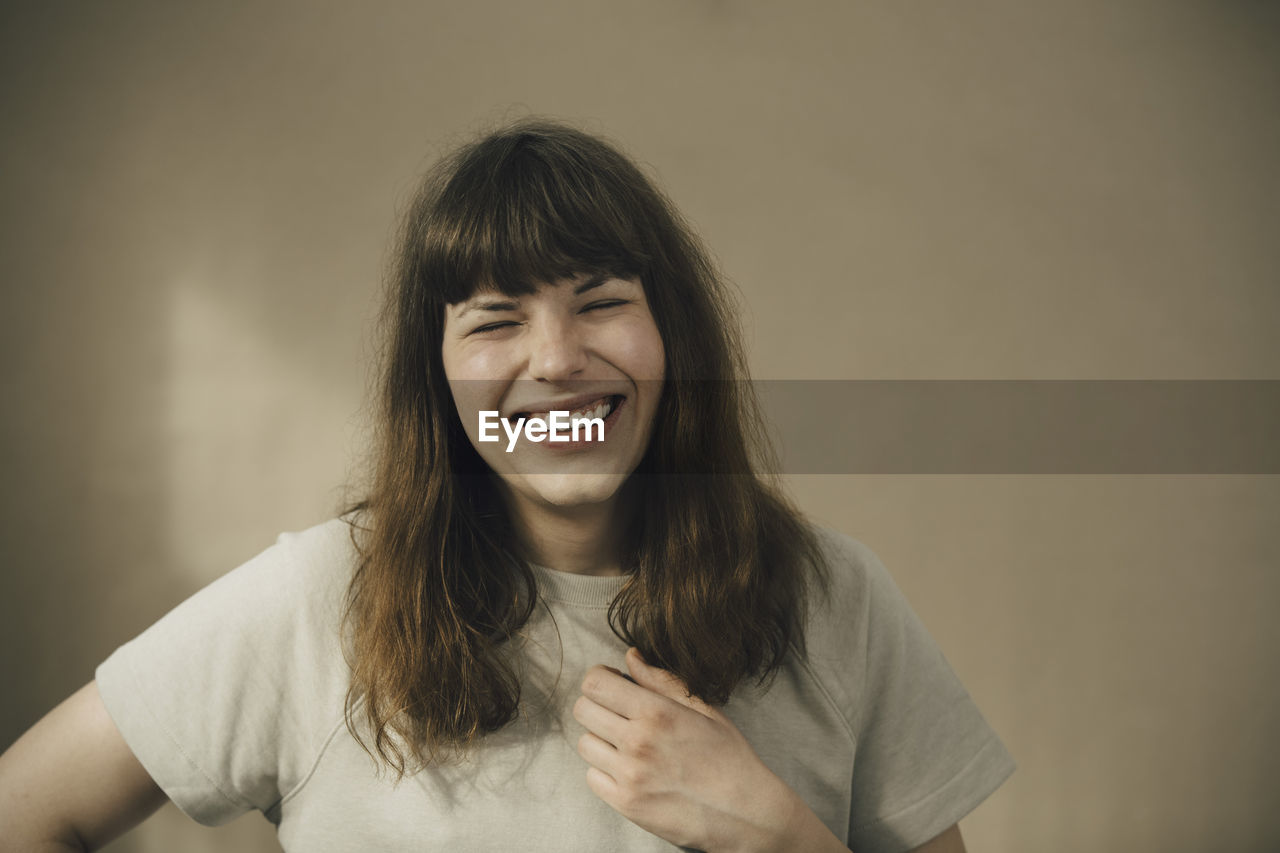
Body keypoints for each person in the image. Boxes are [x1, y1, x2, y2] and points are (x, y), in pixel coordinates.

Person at [0, 120, 1014, 852]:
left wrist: (779, 838)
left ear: (674, 339)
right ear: (436, 376)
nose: (557, 359)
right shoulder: (318, 600)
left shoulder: (834, 598)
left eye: (601, 303)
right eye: (493, 319)